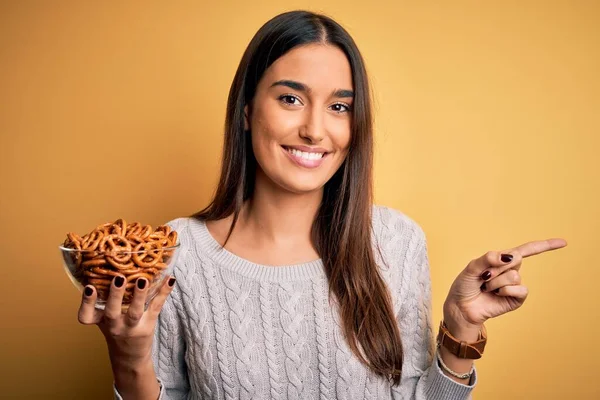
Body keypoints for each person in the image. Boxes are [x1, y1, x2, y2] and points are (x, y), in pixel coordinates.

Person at [77, 10, 566, 400]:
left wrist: (460, 330)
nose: (315, 129)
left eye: (339, 106)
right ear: (247, 110)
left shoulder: (395, 241)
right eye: (291, 99)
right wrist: (129, 355)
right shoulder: (179, 251)